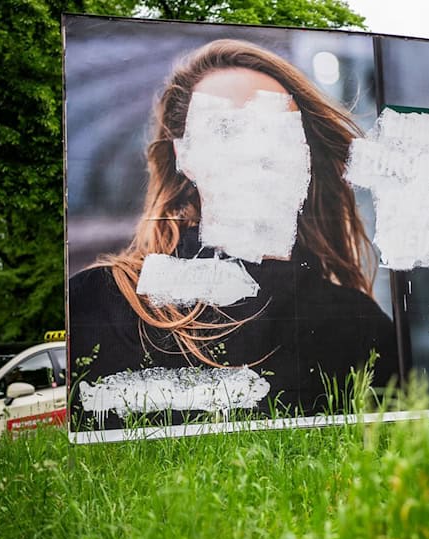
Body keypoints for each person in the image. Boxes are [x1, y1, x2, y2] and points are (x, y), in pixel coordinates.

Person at [68, 39, 399, 431]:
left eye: (274, 128)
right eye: (226, 129)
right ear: (185, 157)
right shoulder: (97, 302)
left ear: (303, 154)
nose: (254, 150)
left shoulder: (359, 326)